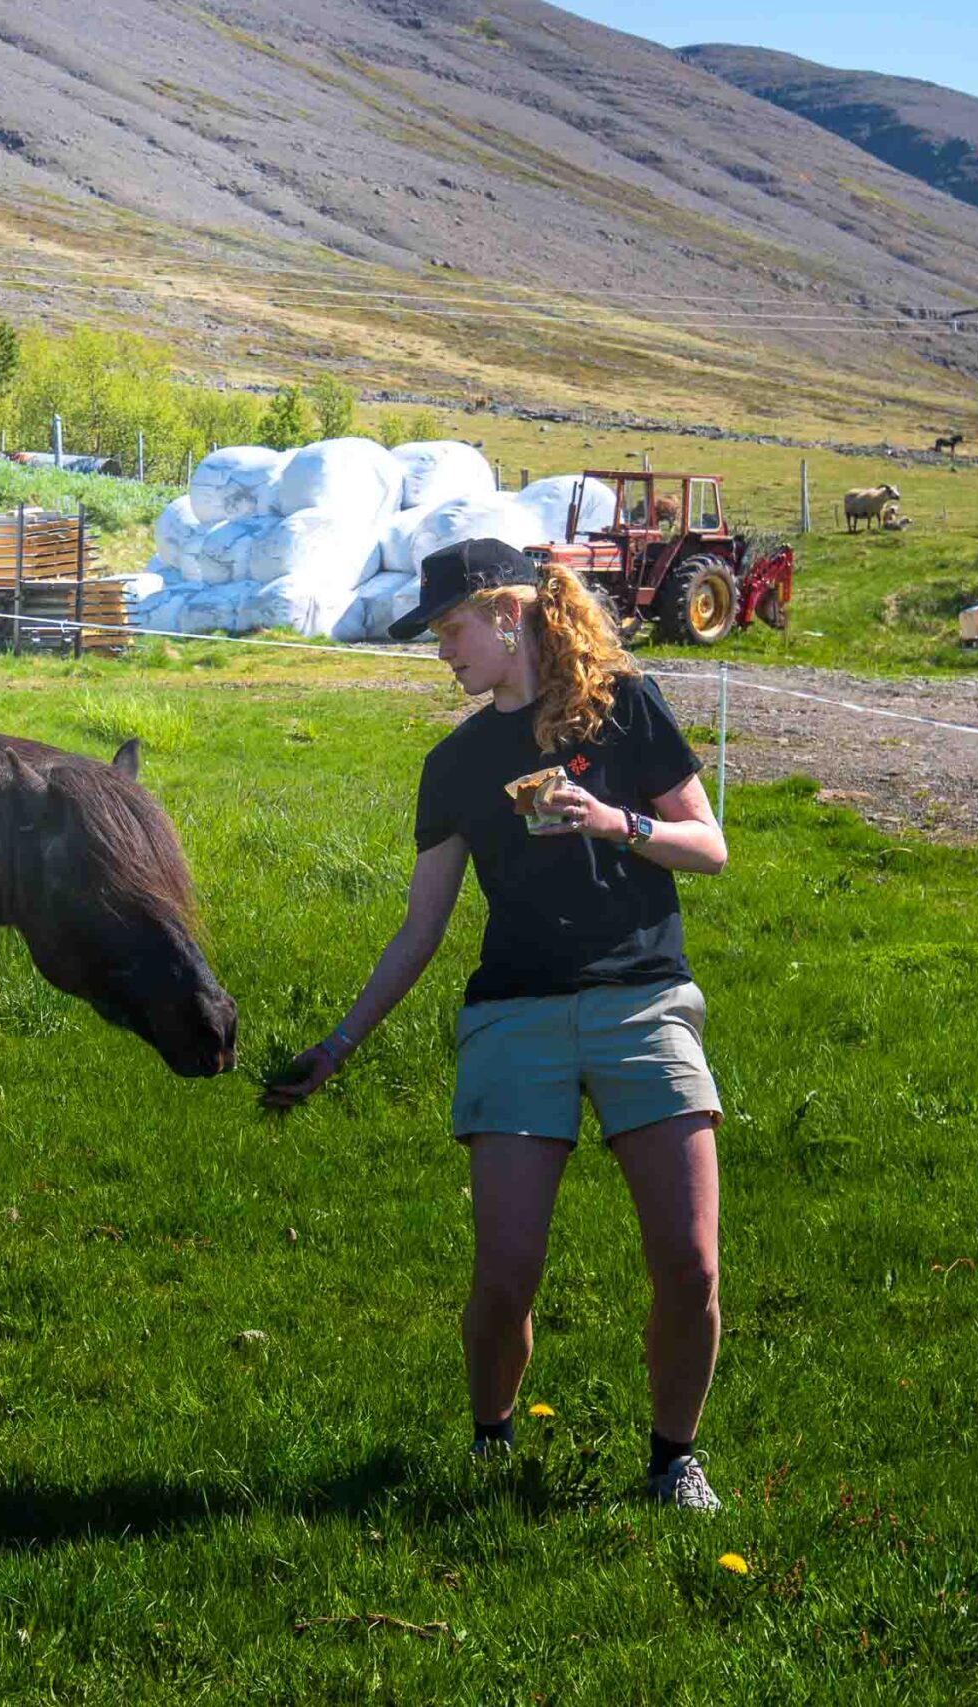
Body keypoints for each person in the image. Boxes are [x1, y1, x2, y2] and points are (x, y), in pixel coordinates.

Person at [262, 536, 731, 1510]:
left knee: (688, 1266)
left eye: (450, 629)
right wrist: (337, 1048)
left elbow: (709, 847)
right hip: (514, 1012)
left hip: (641, 998)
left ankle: (670, 1461)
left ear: (509, 616)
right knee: (506, 1273)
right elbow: (421, 928)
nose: (442, 652)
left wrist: (617, 826)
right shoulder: (457, 765)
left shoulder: (623, 708)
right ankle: (490, 1441)